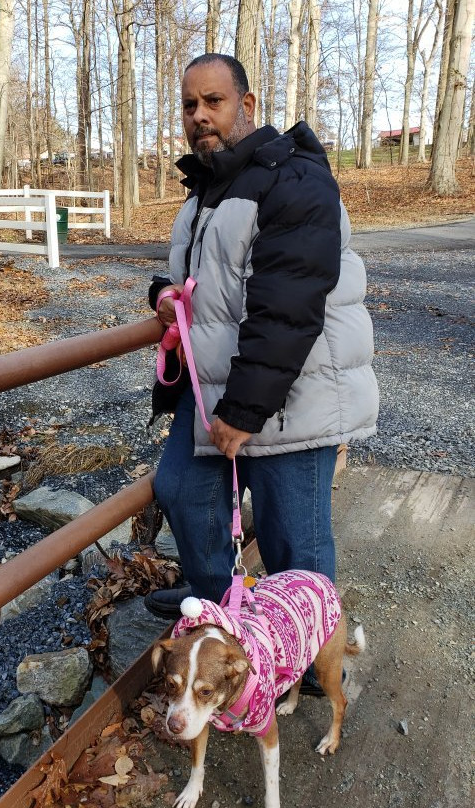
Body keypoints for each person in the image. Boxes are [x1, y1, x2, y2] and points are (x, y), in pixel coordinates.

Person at [145, 53, 379, 637]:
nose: (199, 115)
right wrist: (163, 294)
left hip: (292, 396)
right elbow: (210, 279)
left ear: (247, 107)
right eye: (189, 105)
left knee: (293, 545)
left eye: (213, 101)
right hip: (226, 393)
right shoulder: (207, 188)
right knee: (180, 489)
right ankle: (221, 614)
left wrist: (243, 411)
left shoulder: (292, 177)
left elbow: (287, 305)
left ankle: (306, 659)